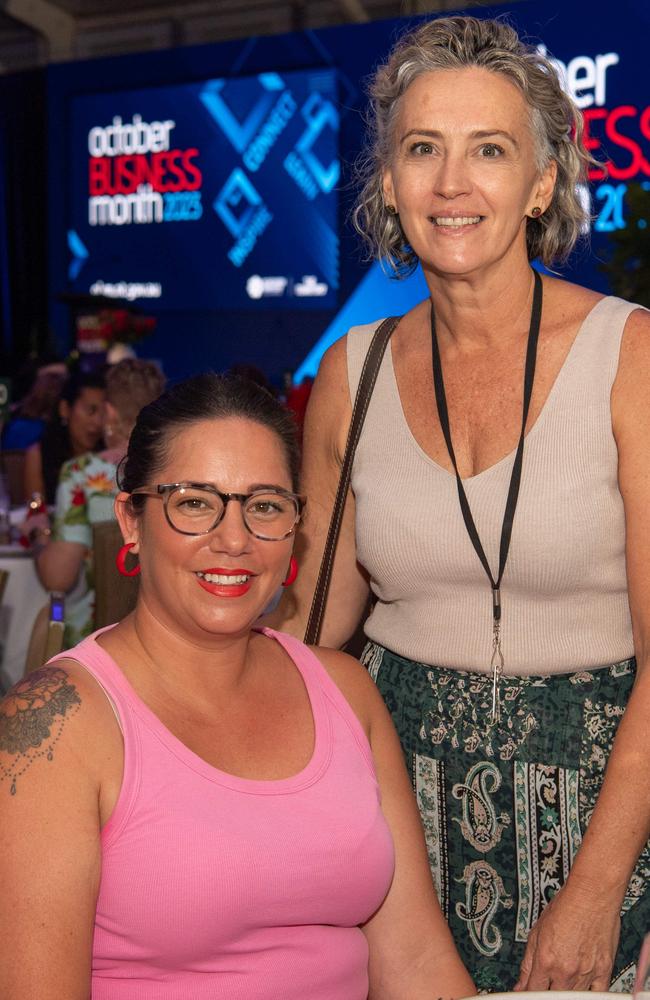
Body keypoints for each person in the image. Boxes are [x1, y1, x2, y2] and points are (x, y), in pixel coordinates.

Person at [272, 15, 650, 994]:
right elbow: (312, 622)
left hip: (609, 819)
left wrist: (597, 887)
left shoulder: (632, 358)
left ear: (538, 183)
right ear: (388, 185)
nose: (450, 182)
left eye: (488, 149)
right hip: (398, 822)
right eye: (420, 149)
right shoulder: (349, 374)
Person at [0, 373, 474, 1000]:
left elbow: (414, 961)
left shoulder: (343, 690)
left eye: (265, 505)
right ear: (130, 520)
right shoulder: (56, 725)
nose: (234, 539)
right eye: (195, 502)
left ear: (295, 529)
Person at [30, 358, 165, 645]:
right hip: (164, 633)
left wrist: (39, 534)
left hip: (96, 639)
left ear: (110, 411)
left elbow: (58, 578)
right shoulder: (175, 473)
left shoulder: (82, 475)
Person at [23, 369, 106, 504]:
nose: (97, 422)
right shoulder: (39, 455)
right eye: (91, 410)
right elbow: (35, 513)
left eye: (103, 413)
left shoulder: (109, 456)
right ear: (65, 409)